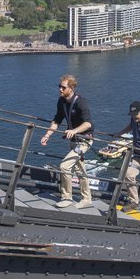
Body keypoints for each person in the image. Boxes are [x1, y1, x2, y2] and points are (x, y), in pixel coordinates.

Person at [40, 74, 94, 209]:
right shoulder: (61, 101)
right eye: (59, 86)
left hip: (85, 140)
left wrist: (74, 130)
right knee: (80, 169)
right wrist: (48, 134)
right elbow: (57, 120)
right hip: (74, 140)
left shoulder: (81, 102)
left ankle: (66, 197)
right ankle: (87, 198)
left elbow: (88, 124)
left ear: (71, 88)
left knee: (65, 166)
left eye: (63, 87)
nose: (60, 89)